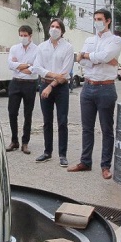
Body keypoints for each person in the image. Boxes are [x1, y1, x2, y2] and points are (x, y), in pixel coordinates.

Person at [68, 9, 121, 179]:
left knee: (106, 129)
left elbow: (106, 56)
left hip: (105, 88)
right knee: (87, 128)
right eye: (95, 19)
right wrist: (94, 58)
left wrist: (89, 56)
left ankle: (105, 166)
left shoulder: (115, 40)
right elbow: (81, 60)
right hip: (88, 88)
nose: (97, 22)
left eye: (100, 19)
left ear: (108, 21)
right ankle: (85, 161)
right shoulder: (89, 40)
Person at [32, 18, 74, 167]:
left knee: (62, 121)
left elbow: (66, 72)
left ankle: (62, 154)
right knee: (47, 121)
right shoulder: (42, 47)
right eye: (52, 26)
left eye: (57, 27)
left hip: (60, 88)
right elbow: (38, 67)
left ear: (62, 31)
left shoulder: (68, 47)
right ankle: (47, 151)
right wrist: (54, 75)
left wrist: (52, 84)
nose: (54, 29)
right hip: (44, 85)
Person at [5, 25, 38, 154]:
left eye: (25, 35)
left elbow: (35, 68)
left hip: (30, 83)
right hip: (15, 83)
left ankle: (25, 142)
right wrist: (27, 65)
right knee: (12, 112)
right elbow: (10, 64)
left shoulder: (37, 50)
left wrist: (18, 66)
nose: (23, 38)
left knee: (28, 113)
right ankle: (14, 141)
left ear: (30, 36)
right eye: (21, 35)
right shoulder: (14, 48)